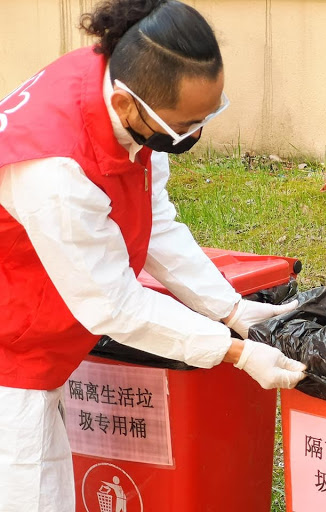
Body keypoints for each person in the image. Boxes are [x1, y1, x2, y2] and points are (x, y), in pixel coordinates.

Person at [0, 1, 306, 510]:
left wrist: (232, 310)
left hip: (38, 326)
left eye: (208, 115)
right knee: (30, 492)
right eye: (187, 123)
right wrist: (237, 351)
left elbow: (153, 220)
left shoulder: (116, 81)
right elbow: (116, 306)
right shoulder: (55, 170)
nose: (196, 134)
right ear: (127, 105)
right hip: (10, 350)